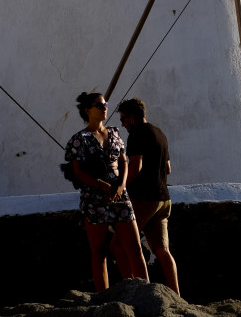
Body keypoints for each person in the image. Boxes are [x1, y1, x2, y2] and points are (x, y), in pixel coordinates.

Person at [64, 92, 148, 291]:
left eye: (105, 104)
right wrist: (102, 185)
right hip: (95, 196)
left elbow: (123, 162)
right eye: (99, 105)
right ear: (87, 110)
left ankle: (147, 291)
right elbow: (78, 172)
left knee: (135, 248)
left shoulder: (115, 132)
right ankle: (103, 296)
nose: (104, 108)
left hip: (119, 194)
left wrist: (121, 186)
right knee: (99, 251)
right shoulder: (79, 139)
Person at [118, 97, 179, 296]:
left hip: (144, 198)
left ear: (133, 117)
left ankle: (137, 293)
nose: (123, 124)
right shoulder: (160, 133)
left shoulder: (136, 134)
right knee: (162, 250)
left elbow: (135, 167)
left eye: (124, 119)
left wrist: (121, 187)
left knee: (120, 244)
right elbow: (168, 169)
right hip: (164, 199)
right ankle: (176, 295)